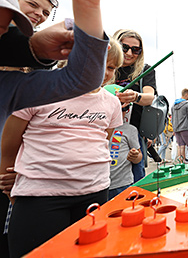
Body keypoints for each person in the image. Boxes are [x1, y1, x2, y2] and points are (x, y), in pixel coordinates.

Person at [0, 0, 109, 256]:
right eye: (32, 6)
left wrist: (87, 2)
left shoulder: (10, 85)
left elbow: (82, 78)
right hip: (35, 195)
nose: (39, 15)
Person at [1, 37, 123, 257]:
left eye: (112, 67)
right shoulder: (39, 88)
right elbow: (9, 143)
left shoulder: (112, 102)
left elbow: (104, 140)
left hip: (94, 192)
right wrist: (7, 182)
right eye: (98, 61)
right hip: (40, 196)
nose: (105, 71)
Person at [114, 29, 157, 183]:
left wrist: (135, 96)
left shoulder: (145, 70)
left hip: (133, 135)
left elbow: (150, 97)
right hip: (105, 134)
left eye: (135, 49)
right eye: (124, 47)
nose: (129, 53)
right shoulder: (105, 68)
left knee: (135, 183)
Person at [108, 103, 142, 200]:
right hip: (100, 187)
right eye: (116, 108)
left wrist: (135, 156)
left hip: (122, 184)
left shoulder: (129, 129)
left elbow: (139, 157)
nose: (120, 112)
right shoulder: (96, 129)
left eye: (125, 108)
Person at [171, 88, 188, 162]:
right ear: (186, 95)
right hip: (186, 128)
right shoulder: (187, 105)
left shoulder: (173, 106)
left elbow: (172, 119)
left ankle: (181, 163)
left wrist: (174, 129)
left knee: (180, 146)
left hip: (176, 129)